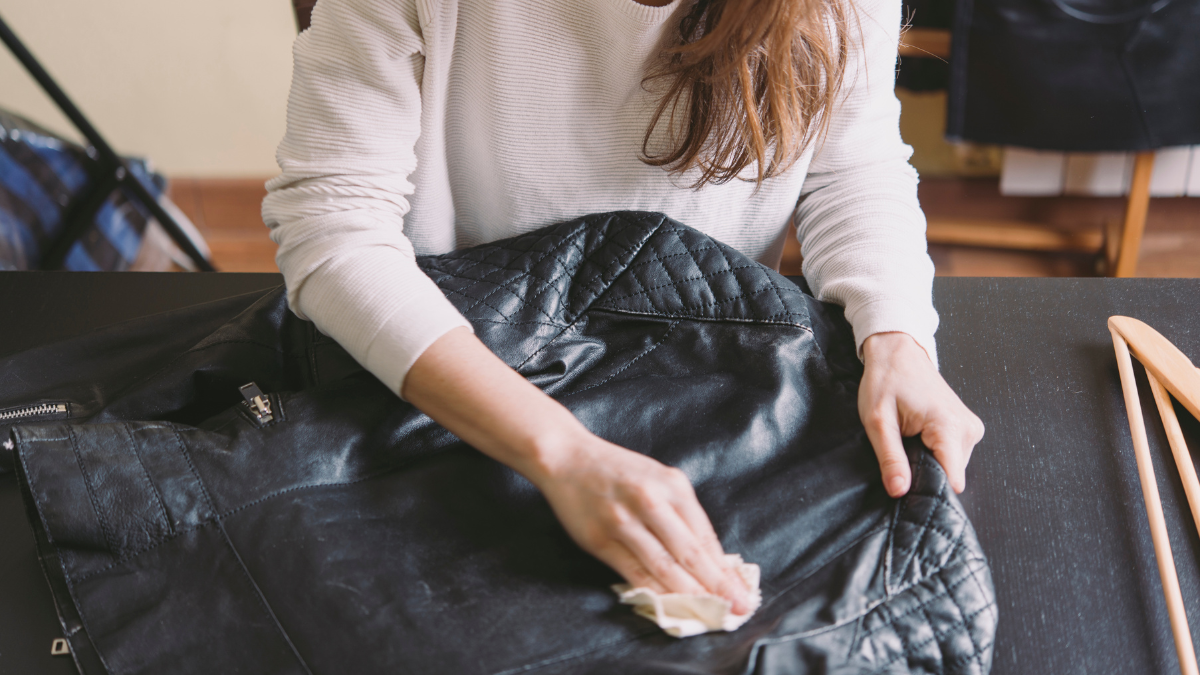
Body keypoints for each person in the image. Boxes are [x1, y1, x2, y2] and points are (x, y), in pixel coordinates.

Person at [263, 0, 985, 616]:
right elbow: (333, 224)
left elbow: (852, 165)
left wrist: (896, 335)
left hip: (707, 377)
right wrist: (561, 451)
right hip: (451, 380)